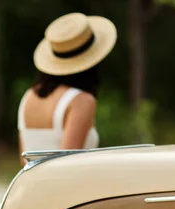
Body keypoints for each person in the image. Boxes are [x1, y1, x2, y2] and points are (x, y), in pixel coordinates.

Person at [18, 12, 117, 164]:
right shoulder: (81, 101)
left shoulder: (29, 96)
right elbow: (67, 165)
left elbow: (24, 160)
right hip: (68, 186)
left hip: (33, 186)